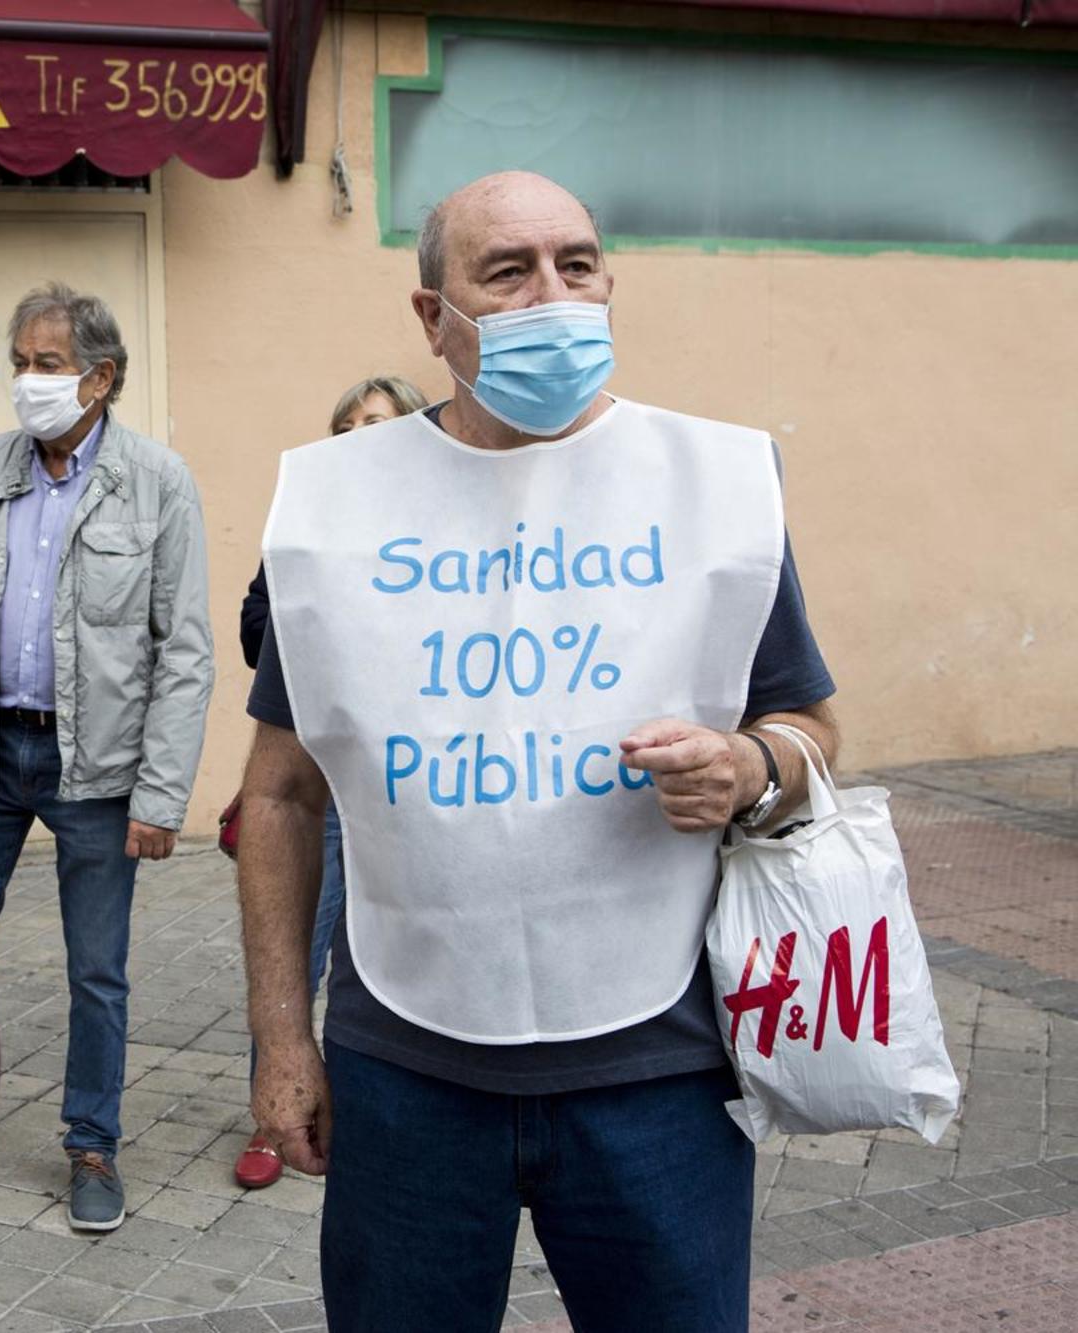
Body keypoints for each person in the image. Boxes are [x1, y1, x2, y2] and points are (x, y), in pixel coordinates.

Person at [238, 172, 839, 1330]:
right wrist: (279, 1042)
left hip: (659, 1068)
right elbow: (275, 797)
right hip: (404, 1067)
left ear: (610, 282)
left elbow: (809, 731)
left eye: (576, 263)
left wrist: (747, 767)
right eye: (505, 272)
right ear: (432, 317)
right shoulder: (338, 511)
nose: (551, 294)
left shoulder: (711, 492)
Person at [0, 282, 214, 1231]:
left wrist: (162, 789)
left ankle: (92, 1141)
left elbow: (184, 651)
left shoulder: (157, 481)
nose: (27, 380)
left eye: (48, 364)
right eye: (21, 360)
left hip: (97, 771)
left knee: (96, 970)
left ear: (100, 379)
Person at [232, 373, 427, 1191]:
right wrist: (310, 604)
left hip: (407, 789)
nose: (357, 436)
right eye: (344, 425)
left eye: (375, 423)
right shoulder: (303, 527)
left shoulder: (438, 530)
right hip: (317, 783)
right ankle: (276, 1109)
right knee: (294, 948)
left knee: (383, 950)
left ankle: (368, 1103)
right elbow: (253, 631)